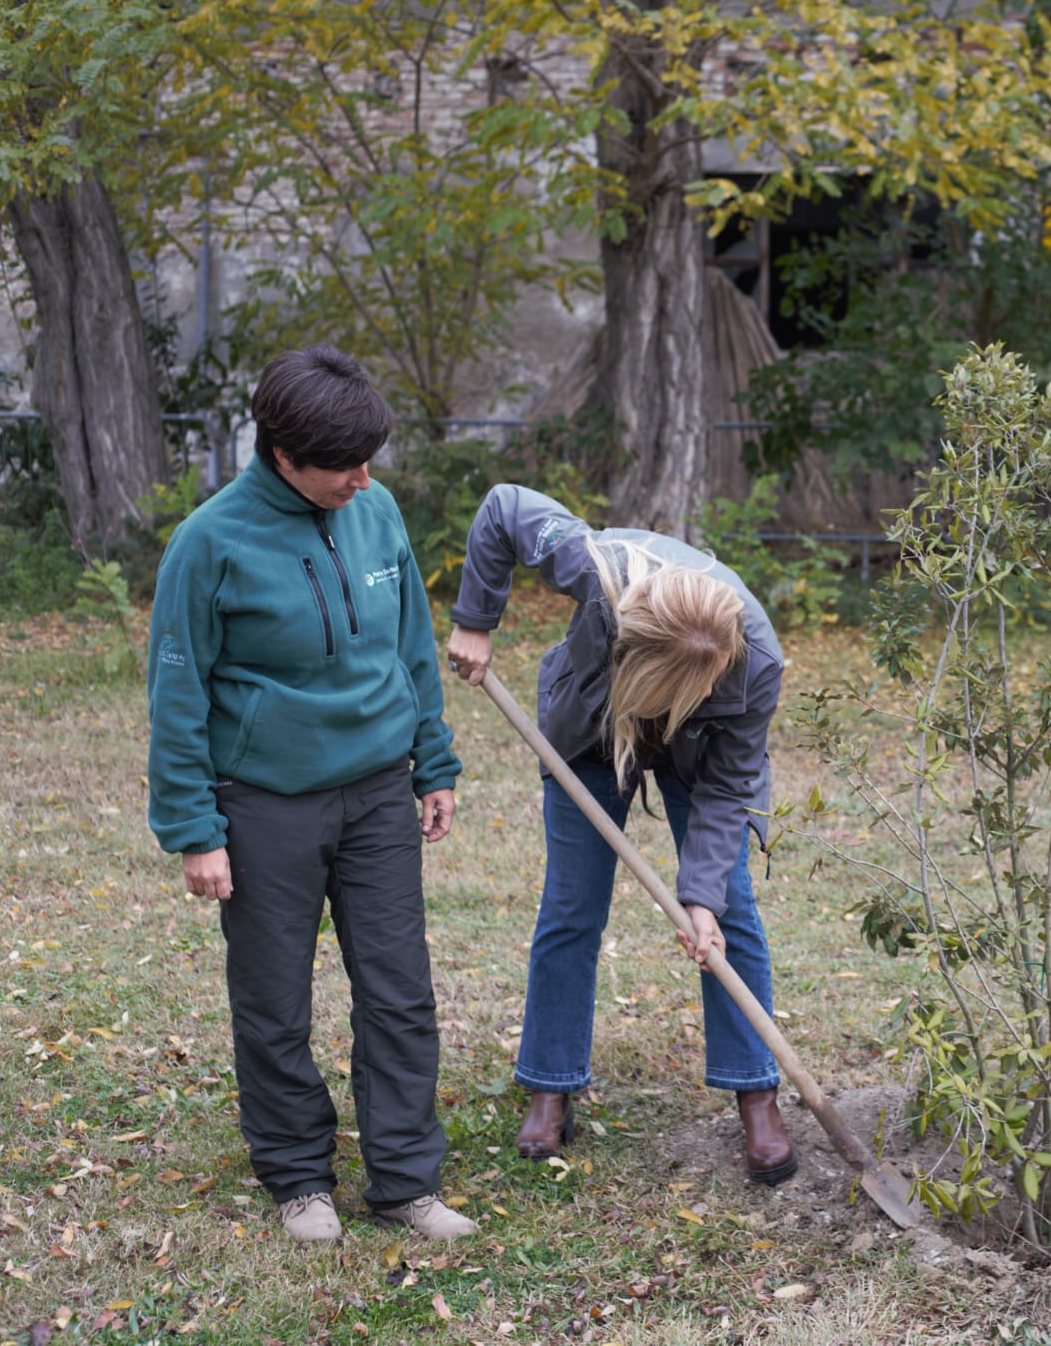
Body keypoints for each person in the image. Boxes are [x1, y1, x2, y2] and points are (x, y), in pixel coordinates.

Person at [146, 346, 474, 1242]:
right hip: (263, 805)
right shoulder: (208, 542)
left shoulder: (377, 511)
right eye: (343, 465)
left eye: (372, 460)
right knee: (273, 997)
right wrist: (194, 829)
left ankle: (406, 1182)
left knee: (400, 990)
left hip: (376, 794)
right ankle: (299, 1178)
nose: (363, 480)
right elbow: (177, 693)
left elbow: (411, 647)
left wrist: (432, 761)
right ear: (282, 454)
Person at [444, 486, 797, 1183]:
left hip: (702, 753)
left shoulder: (757, 663)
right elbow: (503, 507)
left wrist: (698, 901)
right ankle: (551, 1082)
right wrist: (475, 620)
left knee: (729, 907)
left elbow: (728, 789)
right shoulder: (597, 570)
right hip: (596, 730)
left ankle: (755, 1088)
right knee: (572, 905)